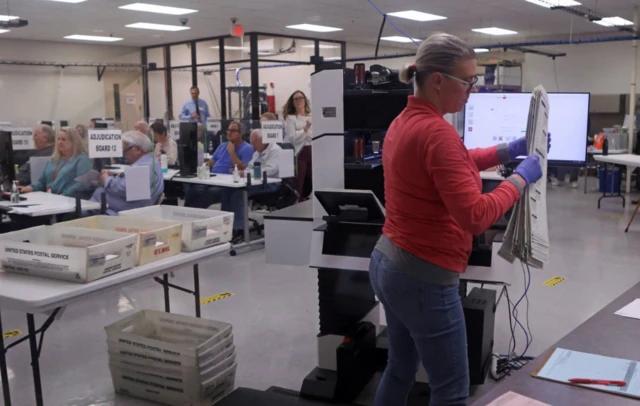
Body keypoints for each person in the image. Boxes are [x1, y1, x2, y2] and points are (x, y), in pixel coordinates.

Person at [369, 33, 543, 406]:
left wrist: (507, 149)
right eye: (468, 81)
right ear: (437, 80)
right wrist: (520, 178)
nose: (472, 90)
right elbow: (476, 216)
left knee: (400, 367)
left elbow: (455, 161)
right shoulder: (436, 132)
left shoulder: (406, 121)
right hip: (423, 277)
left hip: (388, 261)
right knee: (450, 390)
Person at [221, 129, 282, 241]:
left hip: (271, 184)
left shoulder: (276, 151)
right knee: (227, 191)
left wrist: (245, 173)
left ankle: (239, 229)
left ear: (262, 140)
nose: (253, 146)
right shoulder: (257, 152)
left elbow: (269, 171)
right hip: (256, 182)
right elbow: (250, 167)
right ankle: (226, 226)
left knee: (239, 194)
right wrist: (243, 172)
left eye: (254, 143)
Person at [90, 131, 164, 215]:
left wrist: (106, 180)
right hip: (136, 207)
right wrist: (114, 179)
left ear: (138, 150)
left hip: (131, 211)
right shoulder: (151, 162)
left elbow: (124, 189)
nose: (125, 154)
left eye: (126, 150)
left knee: (99, 193)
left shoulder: (143, 167)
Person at [184, 121, 254, 208]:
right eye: (228, 130)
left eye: (232, 130)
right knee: (195, 190)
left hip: (228, 183)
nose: (229, 133)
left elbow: (243, 169)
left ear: (240, 133)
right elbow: (212, 162)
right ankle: (186, 213)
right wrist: (204, 165)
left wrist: (232, 152)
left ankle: (193, 214)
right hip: (214, 178)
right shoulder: (222, 146)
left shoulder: (247, 148)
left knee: (209, 193)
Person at [19, 127, 93, 197]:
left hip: (69, 200)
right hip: (51, 199)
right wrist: (29, 188)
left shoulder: (82, 159)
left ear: (73, 141)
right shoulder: (52, 160)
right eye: (58, 139)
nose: (60, 142)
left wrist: (64, 195)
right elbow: (42, 181)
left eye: (63, 139)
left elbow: (83, 184)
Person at [283, 90, 312, 201]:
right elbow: (292, 138)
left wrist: (301, 132)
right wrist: (305, 129)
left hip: (313, 151)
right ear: (293, 102)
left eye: (301, 98)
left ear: (305, 100)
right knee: (298, 182)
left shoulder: (312, 116)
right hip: (299, 153)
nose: (299, 100)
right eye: (296, 99)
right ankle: (296, 204)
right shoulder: (291, 118)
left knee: (312, 181)